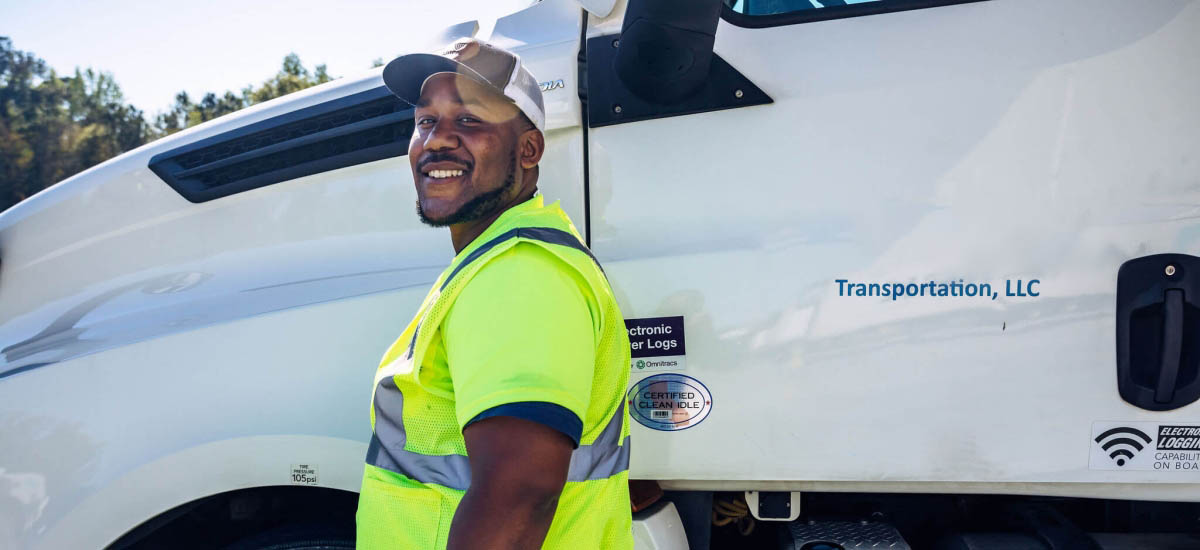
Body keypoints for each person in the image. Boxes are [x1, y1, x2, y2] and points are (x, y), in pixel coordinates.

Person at [355, 38, 634, 550]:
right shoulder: (496, 260)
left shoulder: (520, 272)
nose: (437, 140)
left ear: (528, 150)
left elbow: (520, 490)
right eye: (425, 122)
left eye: (468, 121)